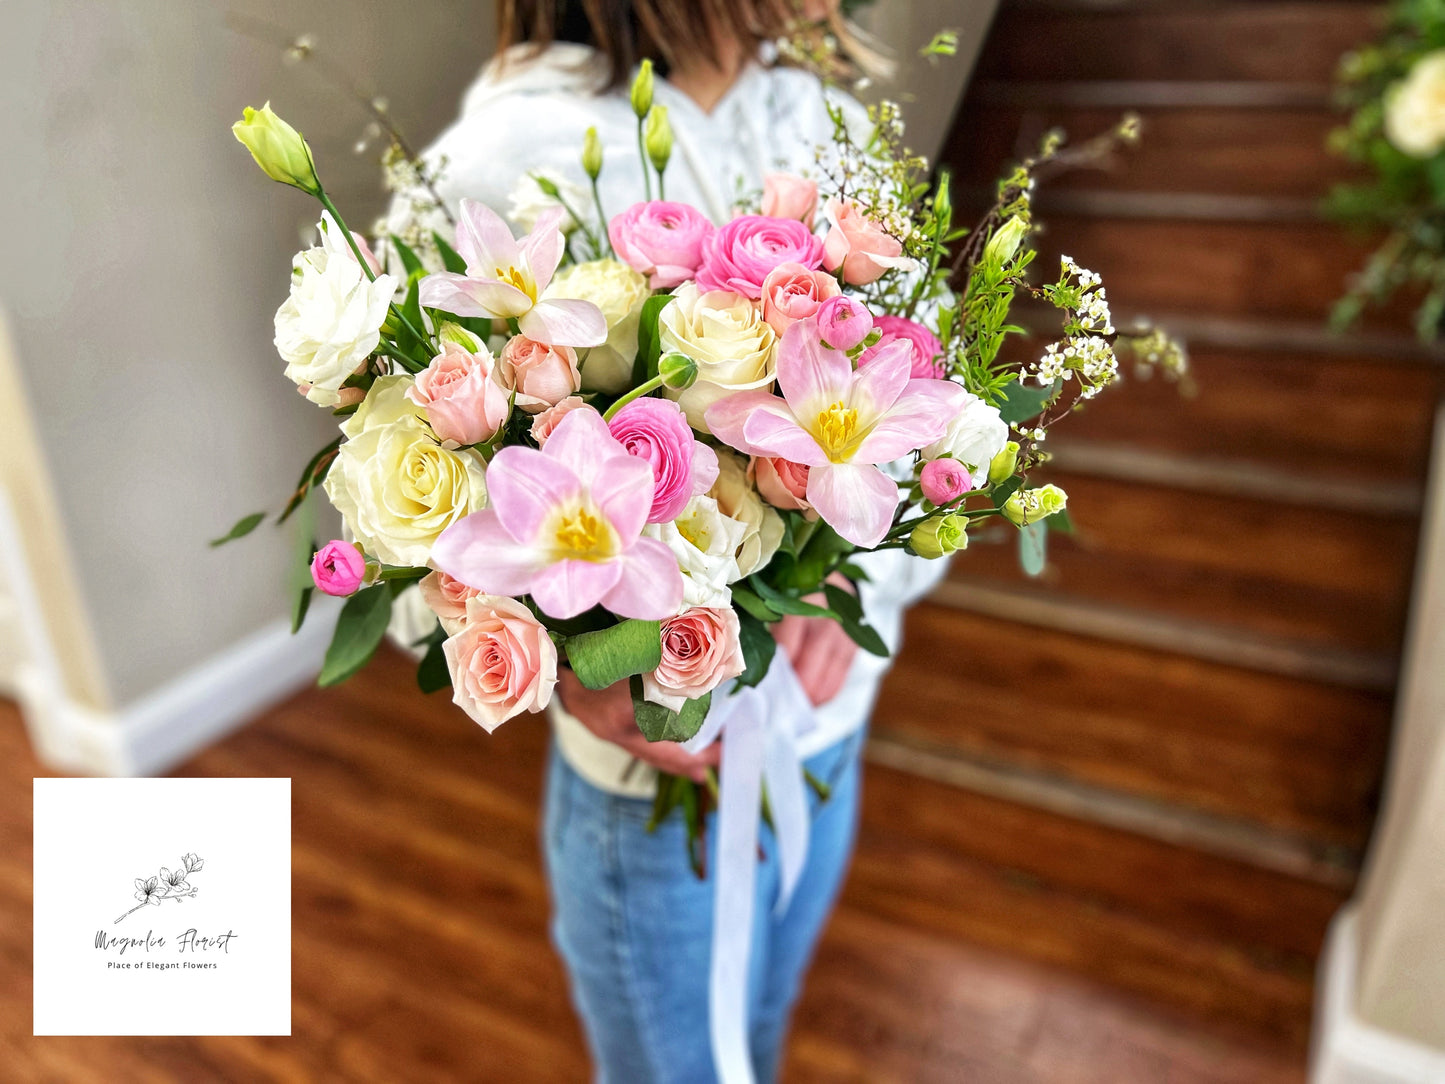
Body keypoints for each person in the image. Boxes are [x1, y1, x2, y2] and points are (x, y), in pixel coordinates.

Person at [388, 2, 949, 1079]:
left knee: (766, 1027)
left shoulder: (830, 127)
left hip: (820, 743)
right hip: (650, 787)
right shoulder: (503, 153)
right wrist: (564, 670)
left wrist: (858, 605)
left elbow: (940, 430)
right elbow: (397, 529)